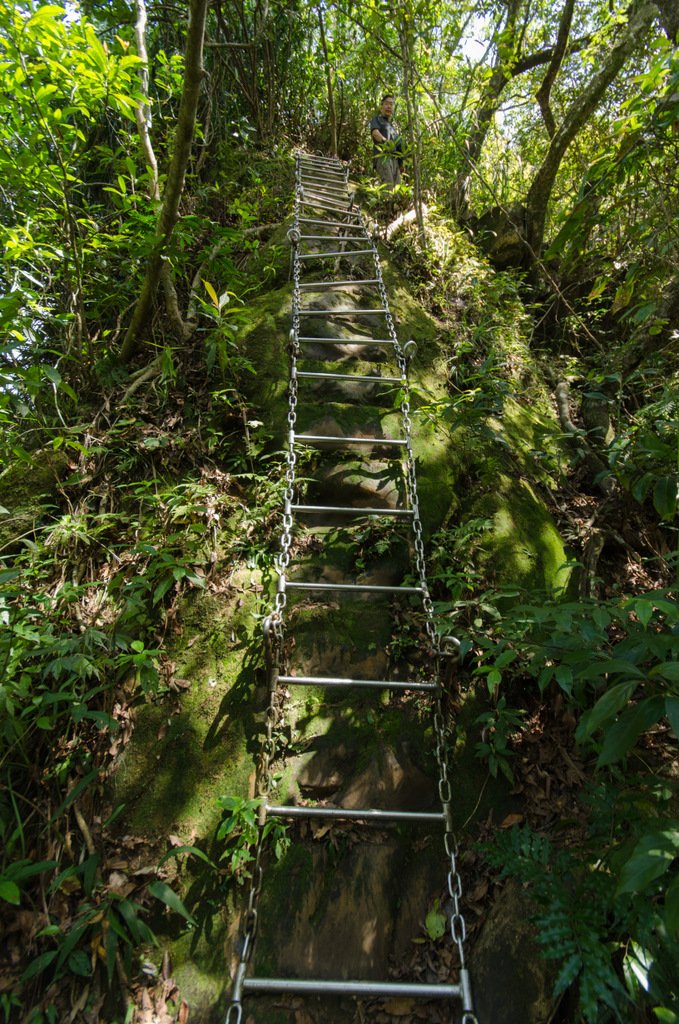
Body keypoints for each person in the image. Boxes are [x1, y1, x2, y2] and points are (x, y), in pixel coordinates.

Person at [370, 95, 402, 189]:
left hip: (394, 160)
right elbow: (375, 133)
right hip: (383, 157)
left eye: (391, 104)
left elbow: (398, 145)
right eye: (386, 104)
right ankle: (386, 203)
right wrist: (386, 143)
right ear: (382, 106)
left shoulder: (392, 127)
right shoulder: (377, 119)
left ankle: (394, 204)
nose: (389, 106)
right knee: (388, 184)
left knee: (397, 187)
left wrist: (401, 163)